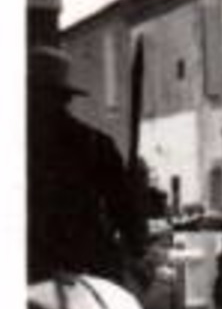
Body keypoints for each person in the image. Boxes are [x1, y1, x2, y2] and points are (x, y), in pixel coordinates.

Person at [27, 46, 147, 287]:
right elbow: (126, 211)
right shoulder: (95, 144)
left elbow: (125, 210)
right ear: (65, 98)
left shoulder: (94, 144)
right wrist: (136, 247)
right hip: (84, 266)